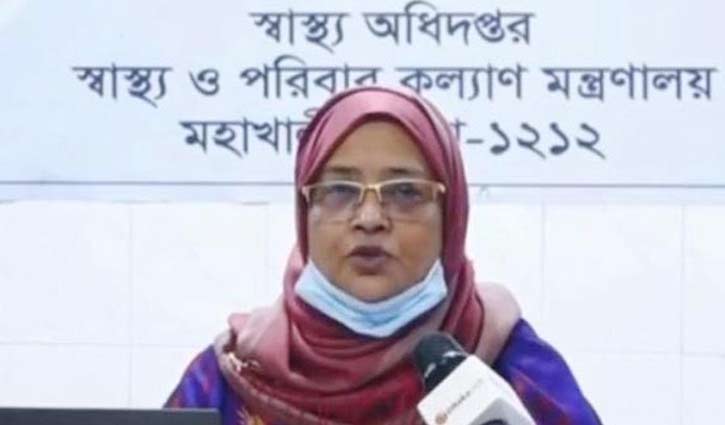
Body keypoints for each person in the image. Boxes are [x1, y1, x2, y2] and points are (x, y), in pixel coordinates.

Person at [165, 86, 601, 424]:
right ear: (304, 212)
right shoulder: (232, 378)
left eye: (405, 192)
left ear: (451, 217)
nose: (370, 219)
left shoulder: (513, 367)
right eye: (339, 190)